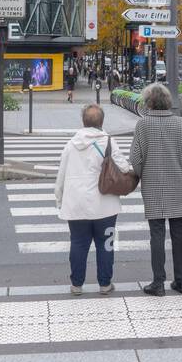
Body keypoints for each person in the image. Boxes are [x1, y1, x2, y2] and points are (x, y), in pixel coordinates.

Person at [130, 82, 182, 295]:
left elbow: (135, 158)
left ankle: (158, 283)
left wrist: (143, 174)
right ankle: (181, 281)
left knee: (156, 234)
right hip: (178, 185)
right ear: (168, 102)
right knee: (179, 234)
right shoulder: (179, 124)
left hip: (152, 186)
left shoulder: (143, 124)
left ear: (148, 102)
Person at [55, 104, 129, 295]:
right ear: (102, 121)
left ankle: (76, 284)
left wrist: (60, 200)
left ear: (83, 121)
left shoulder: (71, 145)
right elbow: (124, 168)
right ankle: (105, 283)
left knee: (78, 243)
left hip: (76, 205)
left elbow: (61, 176)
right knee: (106, 244)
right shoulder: (109, 142)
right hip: (106, 205)